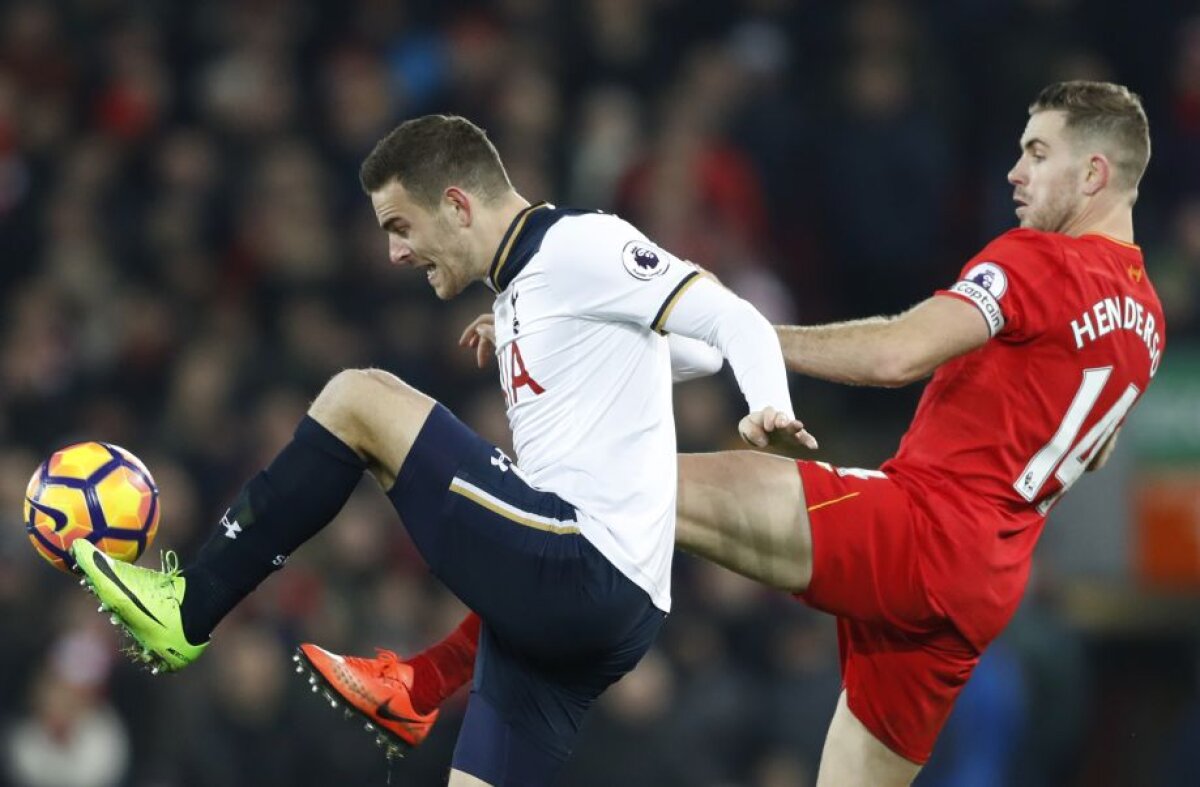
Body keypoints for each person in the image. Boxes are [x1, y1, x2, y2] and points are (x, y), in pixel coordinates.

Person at [365, 80, 1164, 786]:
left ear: (1093, 173)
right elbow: (1082, 457)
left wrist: (745, 330)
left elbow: (895, 354)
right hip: (988, 583)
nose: (1015, 173)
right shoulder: (1150, 324)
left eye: (1036, 152)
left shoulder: (1038, 260)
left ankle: (427, 681)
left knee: (617, 489)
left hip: (921, 530)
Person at [70, 114, 813, 786]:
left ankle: (188, 607)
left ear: (458, 204)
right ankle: (420, 687)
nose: (394, 252)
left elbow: (730, 323)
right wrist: (564, 343)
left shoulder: (581, 245)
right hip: (605, 616)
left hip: (583, 567)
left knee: (359, 398)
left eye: (400, 225)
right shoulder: (526, 292)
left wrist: (768, 401)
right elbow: (683, 354)